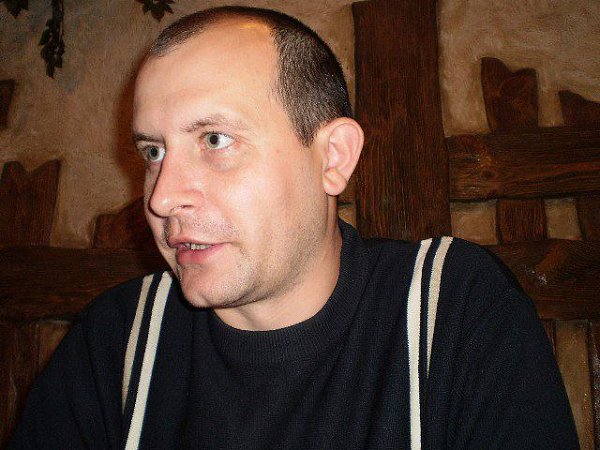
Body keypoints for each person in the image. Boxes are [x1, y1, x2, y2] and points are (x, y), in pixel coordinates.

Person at [10, 6, 578, 449]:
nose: (161, 198)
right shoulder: (119, 342)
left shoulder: (449, 312)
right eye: (154, 151)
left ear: (334, 157)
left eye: (215, 140)